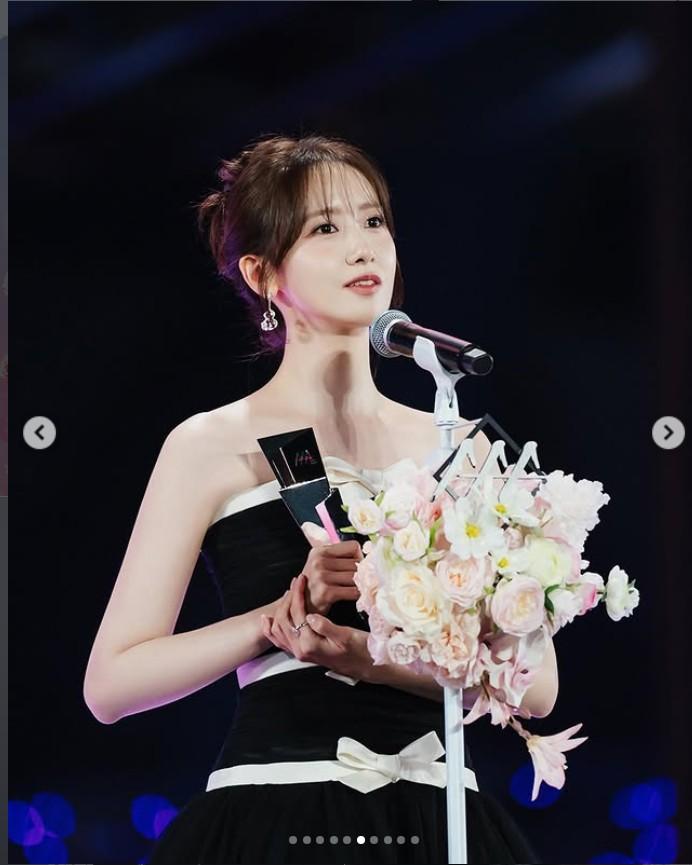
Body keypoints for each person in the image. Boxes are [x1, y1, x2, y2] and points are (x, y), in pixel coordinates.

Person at [83, 134, 558, 864]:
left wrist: (370, 658)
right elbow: (112, 684)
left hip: (439, 812)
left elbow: (535, 686)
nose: (362, 247)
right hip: (277, 806)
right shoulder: (211, 443)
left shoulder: (461, 444)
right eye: (325, 229)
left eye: (373, 221)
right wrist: (274, 622)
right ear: (262, 273)